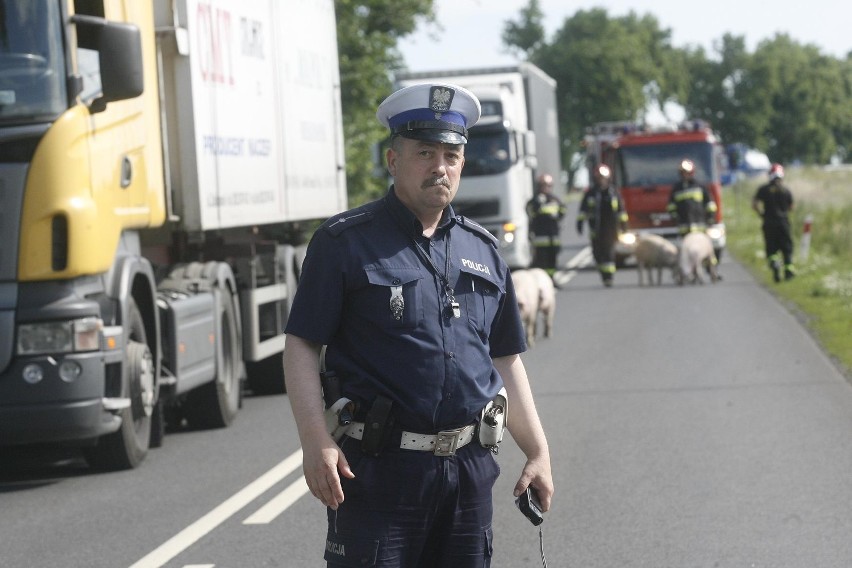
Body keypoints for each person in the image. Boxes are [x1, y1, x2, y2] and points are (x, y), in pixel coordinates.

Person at [283, 82, 553, 567]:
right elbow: (302, 345)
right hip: (378, 474)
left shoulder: (484, 250)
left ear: (462, 164)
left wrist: (537, 450)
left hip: (469, 473)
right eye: (424, 153)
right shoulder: (343, 243)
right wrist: (315, 441)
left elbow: (505, 358)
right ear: (393, 161)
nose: (439, 167)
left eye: (451, 155)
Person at [576, 164, 628, 286]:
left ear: (608, 178)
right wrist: (580, 224)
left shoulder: (614, 192)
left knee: (609, 253)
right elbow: (583, 210)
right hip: (596, 229)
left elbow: (621, 210)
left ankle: (608, 278)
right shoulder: (591, 193)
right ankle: (603, 271)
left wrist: (624, 225)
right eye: (599, 178)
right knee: (597, 253)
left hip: (610, 229)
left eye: (603, 178)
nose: (601, 180)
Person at [752, 163, 795, 282]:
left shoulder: (763, 190)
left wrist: (761, 214)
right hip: (784, 223)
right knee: (787, 248)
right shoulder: (786, 191)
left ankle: (775, 265)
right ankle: (788, 271)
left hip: (769, 223)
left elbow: (755, 204)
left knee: (771, 248)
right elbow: (791, 207)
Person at [526, 173, 567, 277]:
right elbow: (530, 211)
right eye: (543, 185)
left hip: (553, 236)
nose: (546, 188)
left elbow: (563, 209)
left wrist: (557, 216)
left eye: (548, 186)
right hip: (541, 237)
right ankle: (543, 281)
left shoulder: (554, 199)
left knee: (552, 261)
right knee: (541, 262)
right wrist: (538, 205)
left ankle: (551, 279)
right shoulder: (534, 200)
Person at [666, 158, 718, 235]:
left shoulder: (700, 186)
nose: (685, 174)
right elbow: (671, 206)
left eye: (687, 172)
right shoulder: (677, 189)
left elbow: (710, 204)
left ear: (692, 172)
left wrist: (710, 218)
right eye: (683, 172)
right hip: (684, 228)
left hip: (700, 226)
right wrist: (675, 218)